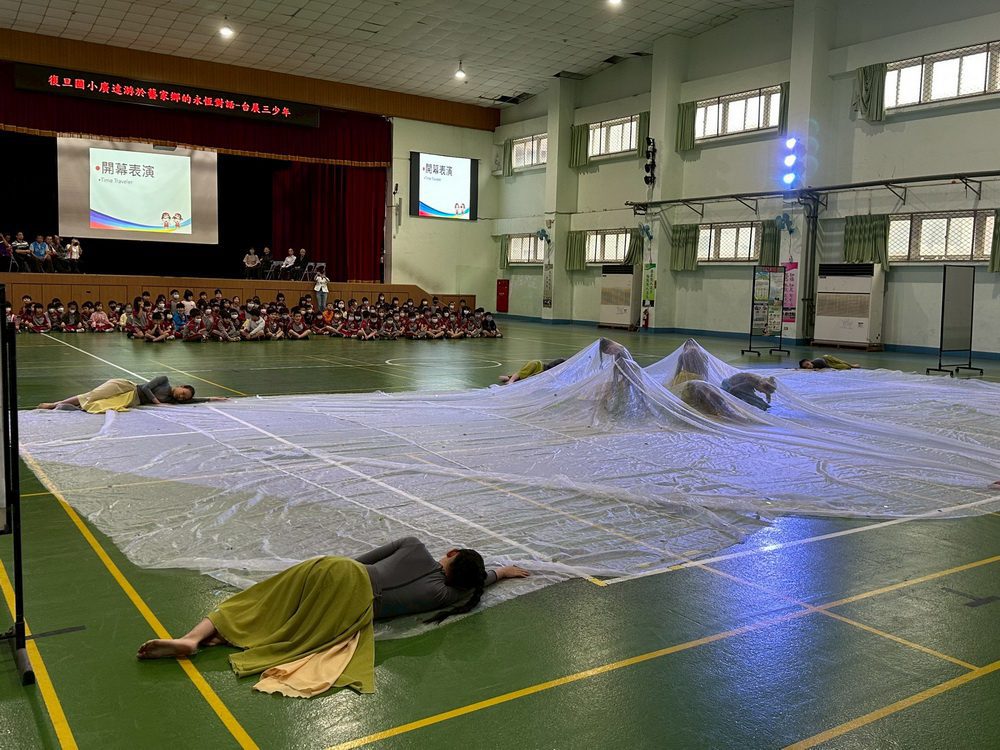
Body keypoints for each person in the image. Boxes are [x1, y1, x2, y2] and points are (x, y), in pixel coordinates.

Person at [135, 537, 529, 694]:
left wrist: (326, 576)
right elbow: (480, 582)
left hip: (343, 575)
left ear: (452, 555)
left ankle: (195, 635)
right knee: (292, 628)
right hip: (355, 612)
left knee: (256, 601)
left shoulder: (414, 547)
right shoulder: (446, 596)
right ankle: (218, 640)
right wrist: (501, 573)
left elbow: (358, 562)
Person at [37, 376, 226, 412]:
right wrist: (157, 403)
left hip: (130, 401)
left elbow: (196, 400)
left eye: (184, 397)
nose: (181, 397)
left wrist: (213, 398)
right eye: (183, 392)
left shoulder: (172, 399)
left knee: (97, 406)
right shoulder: (164, 381)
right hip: (126, 387)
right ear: (181, 385)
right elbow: (145, 388)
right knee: (94, 395)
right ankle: (55, 403)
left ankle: (63, 407)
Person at [499, 357, 566, 385]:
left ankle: (509, 378)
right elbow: (520, 373)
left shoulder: (548, 374)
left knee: (504, 378)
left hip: (541, 373)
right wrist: (511, 381)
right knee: (505, 378)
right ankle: (510, 378)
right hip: (539, 368)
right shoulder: (536, 364)